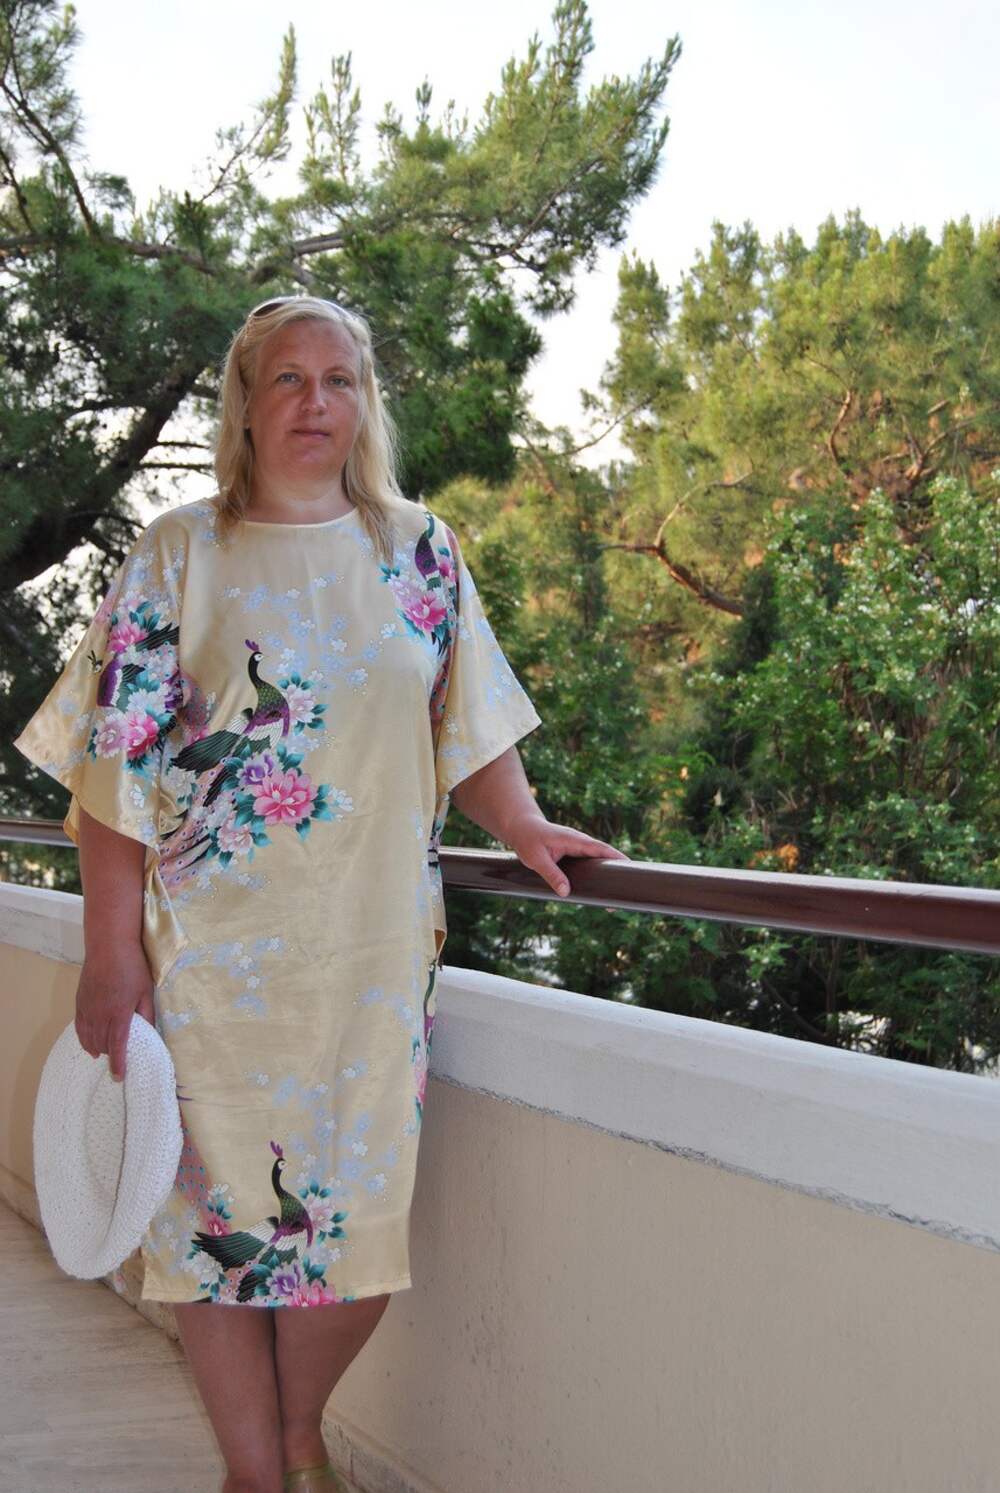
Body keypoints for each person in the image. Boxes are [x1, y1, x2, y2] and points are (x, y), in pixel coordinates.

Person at [14, 295, 630, 1493]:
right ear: (246, 404)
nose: (315, 401)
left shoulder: (420, 550)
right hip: (203, 963)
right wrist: (111, 951)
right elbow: (112, 773)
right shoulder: (179, 553)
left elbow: (464, 717)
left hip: (369, 961)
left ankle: (298, 1435)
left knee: (350, 1224)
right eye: (287, 379)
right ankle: (261, 1471)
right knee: (204, 1224)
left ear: (365, 402)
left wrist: (520, 819)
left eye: (338, 378)